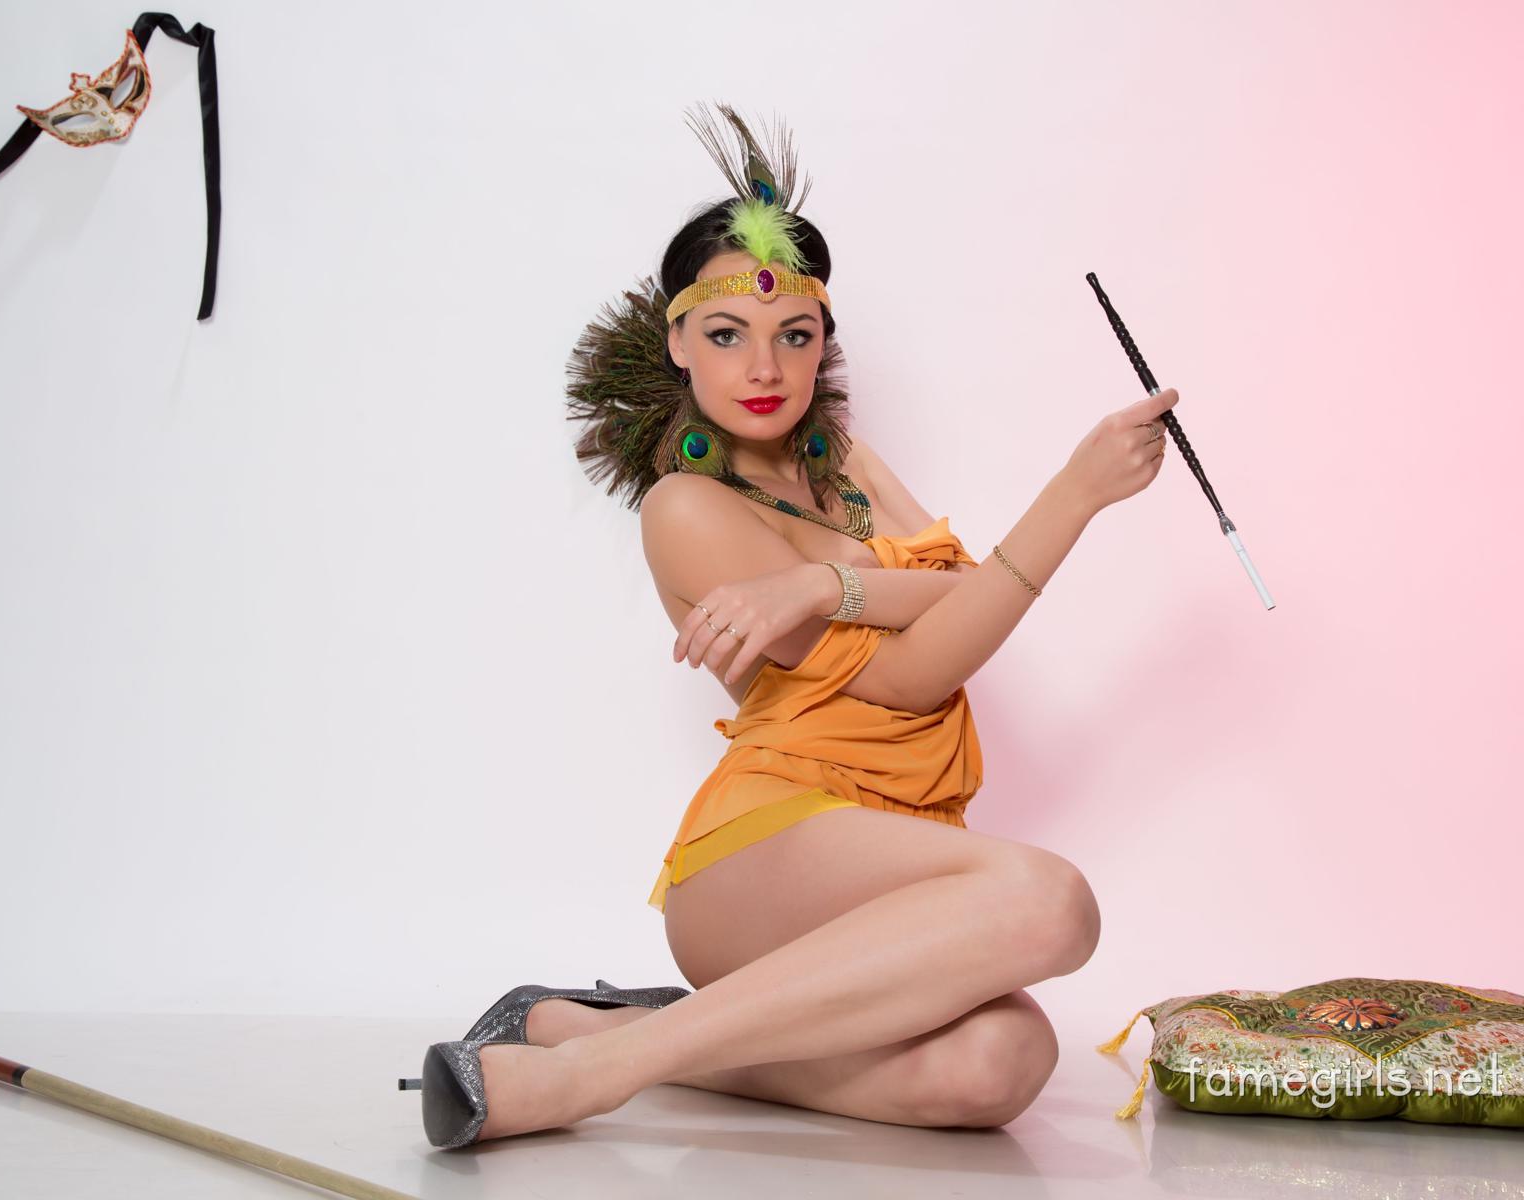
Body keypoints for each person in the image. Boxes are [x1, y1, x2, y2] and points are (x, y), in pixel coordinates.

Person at [409, 104, 1178, 1148]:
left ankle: (593, 1026)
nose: (764, 369)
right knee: (1054, 904)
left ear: (823, 342)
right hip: (765, 851)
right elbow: (914, 673)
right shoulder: (686, 508)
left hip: (897, 842)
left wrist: (822, 586)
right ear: (678, 342)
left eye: (794, 337)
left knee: (999, 1064)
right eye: (727, 335)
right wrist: (1071, 498)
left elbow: (971, 595)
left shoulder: (846, 467)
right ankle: (595, 1075)